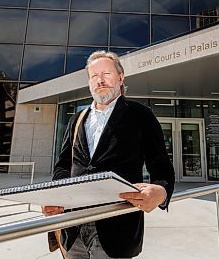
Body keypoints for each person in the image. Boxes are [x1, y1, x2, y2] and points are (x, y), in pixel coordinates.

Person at [43, 50, 175, 258]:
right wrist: (57, 196)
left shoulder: (140, 115)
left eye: (106, 74)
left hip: (117, 227)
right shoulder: (77, 119)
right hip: (73, 226)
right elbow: (63, 165)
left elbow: (162, 167)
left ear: (121, 78)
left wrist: (161, 192)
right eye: (94, 76)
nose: (100, 81)